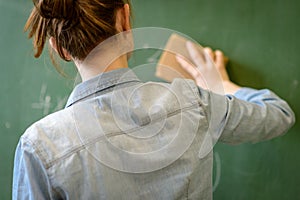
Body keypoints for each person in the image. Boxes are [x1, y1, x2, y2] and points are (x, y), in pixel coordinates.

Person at [13, 0, 295, 199]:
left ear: (59, 47)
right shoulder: (192, 103)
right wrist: (221, 85)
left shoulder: (39, 147)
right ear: (124, 18)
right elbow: (279, 114)